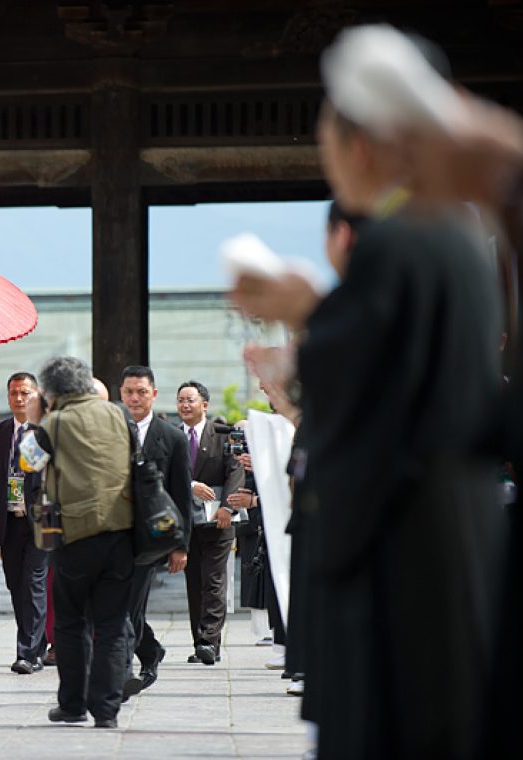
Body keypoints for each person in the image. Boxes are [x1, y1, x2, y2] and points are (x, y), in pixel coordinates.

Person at [231, 28, 506, 756]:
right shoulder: (455, 236)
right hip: (447, 538)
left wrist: (308, 316)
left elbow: (362, 383)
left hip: (402, 550)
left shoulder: (397, 240)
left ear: (361, 146)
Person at [21, 356, 133, 729]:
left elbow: (29, 462)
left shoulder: (54, 422)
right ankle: (107, 710)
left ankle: (72, 704)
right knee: (113, 625)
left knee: (70, 622)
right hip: (121, 532)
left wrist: (34, 421)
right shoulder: (118, 415)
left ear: (51, 391)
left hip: (75, 535)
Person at [117, 366, 192, 695]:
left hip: (150, 538)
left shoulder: (172, 437)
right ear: (120, 393)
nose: (134, 398)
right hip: (114, 531)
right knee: (120, 605)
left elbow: (181, 496)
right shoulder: (111, 430)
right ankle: (149, 650)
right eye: (129, 391)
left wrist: (180, 545)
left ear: (154, 394)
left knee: (129, 605)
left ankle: (125, 672)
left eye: (141, 392)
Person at [0, 372, 49, 674]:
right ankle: (36, 644)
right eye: (14, 393)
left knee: (35, 583)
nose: (19, 398)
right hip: (9, 521)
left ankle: (27, 653)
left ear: (37, 396)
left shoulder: (48, 430)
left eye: (26, 393)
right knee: (17, 586)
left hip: (42, 521)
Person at [175, 381, 243, 666]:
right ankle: (200, 641)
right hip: (186, 519)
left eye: (190, 400)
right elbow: (165, 472)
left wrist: (228, 506)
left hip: (218, 518)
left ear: (204, 404)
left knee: (213, 580)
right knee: (194, 581)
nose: (185, 405)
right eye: (180, 400)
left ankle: (209, 640)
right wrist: (189, 485)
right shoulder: (172, 436)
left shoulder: (223, 434)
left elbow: (235, 471)